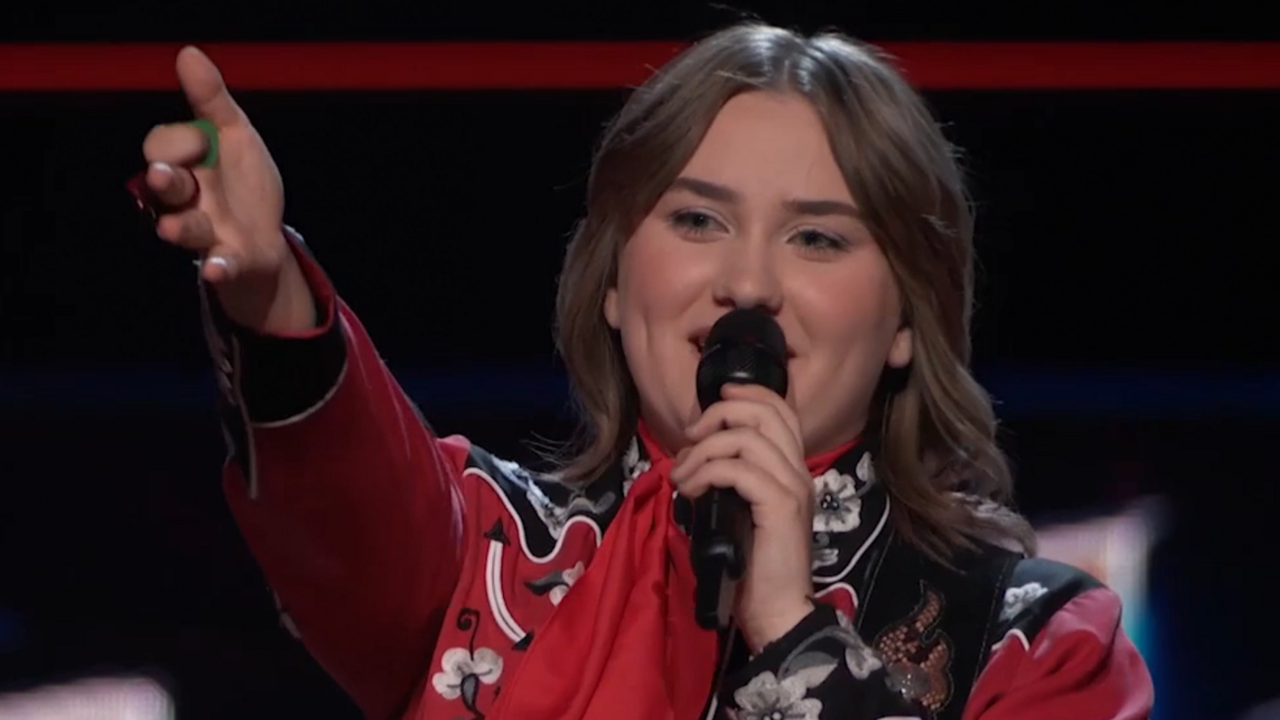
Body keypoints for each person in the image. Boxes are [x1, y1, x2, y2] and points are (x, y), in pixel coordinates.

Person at [132, 22, 1154, 720]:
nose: (747, 284)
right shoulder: (480, 560)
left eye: (816, 238)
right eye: (698, 221)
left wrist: (788, 631)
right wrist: (265, 288)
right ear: (616, 283)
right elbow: (346, 482)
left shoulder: (1036, 643)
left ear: (904, 320)